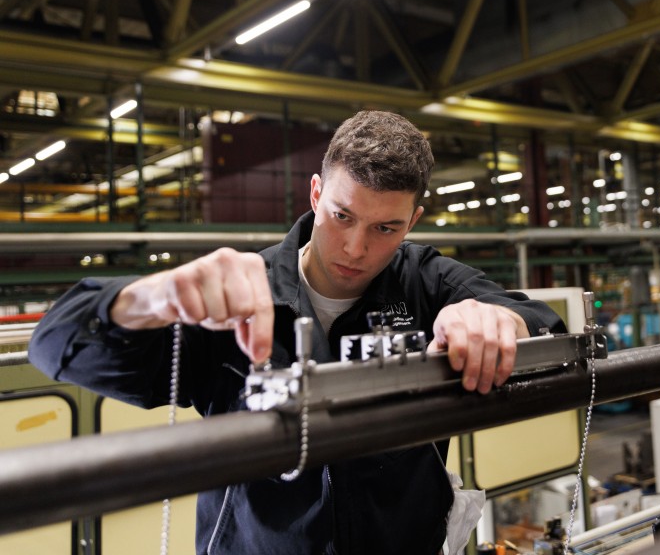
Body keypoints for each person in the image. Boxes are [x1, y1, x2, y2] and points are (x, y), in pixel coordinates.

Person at [29, 110, 566, 555]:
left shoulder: (426, 283)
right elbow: (56, 345)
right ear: (315, 193)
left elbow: (544, 326)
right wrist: (147, 298)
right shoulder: (238, 296)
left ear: (413, 220)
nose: (356, 248)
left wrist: (499, 321)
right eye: (342, 216)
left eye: (386, 229)